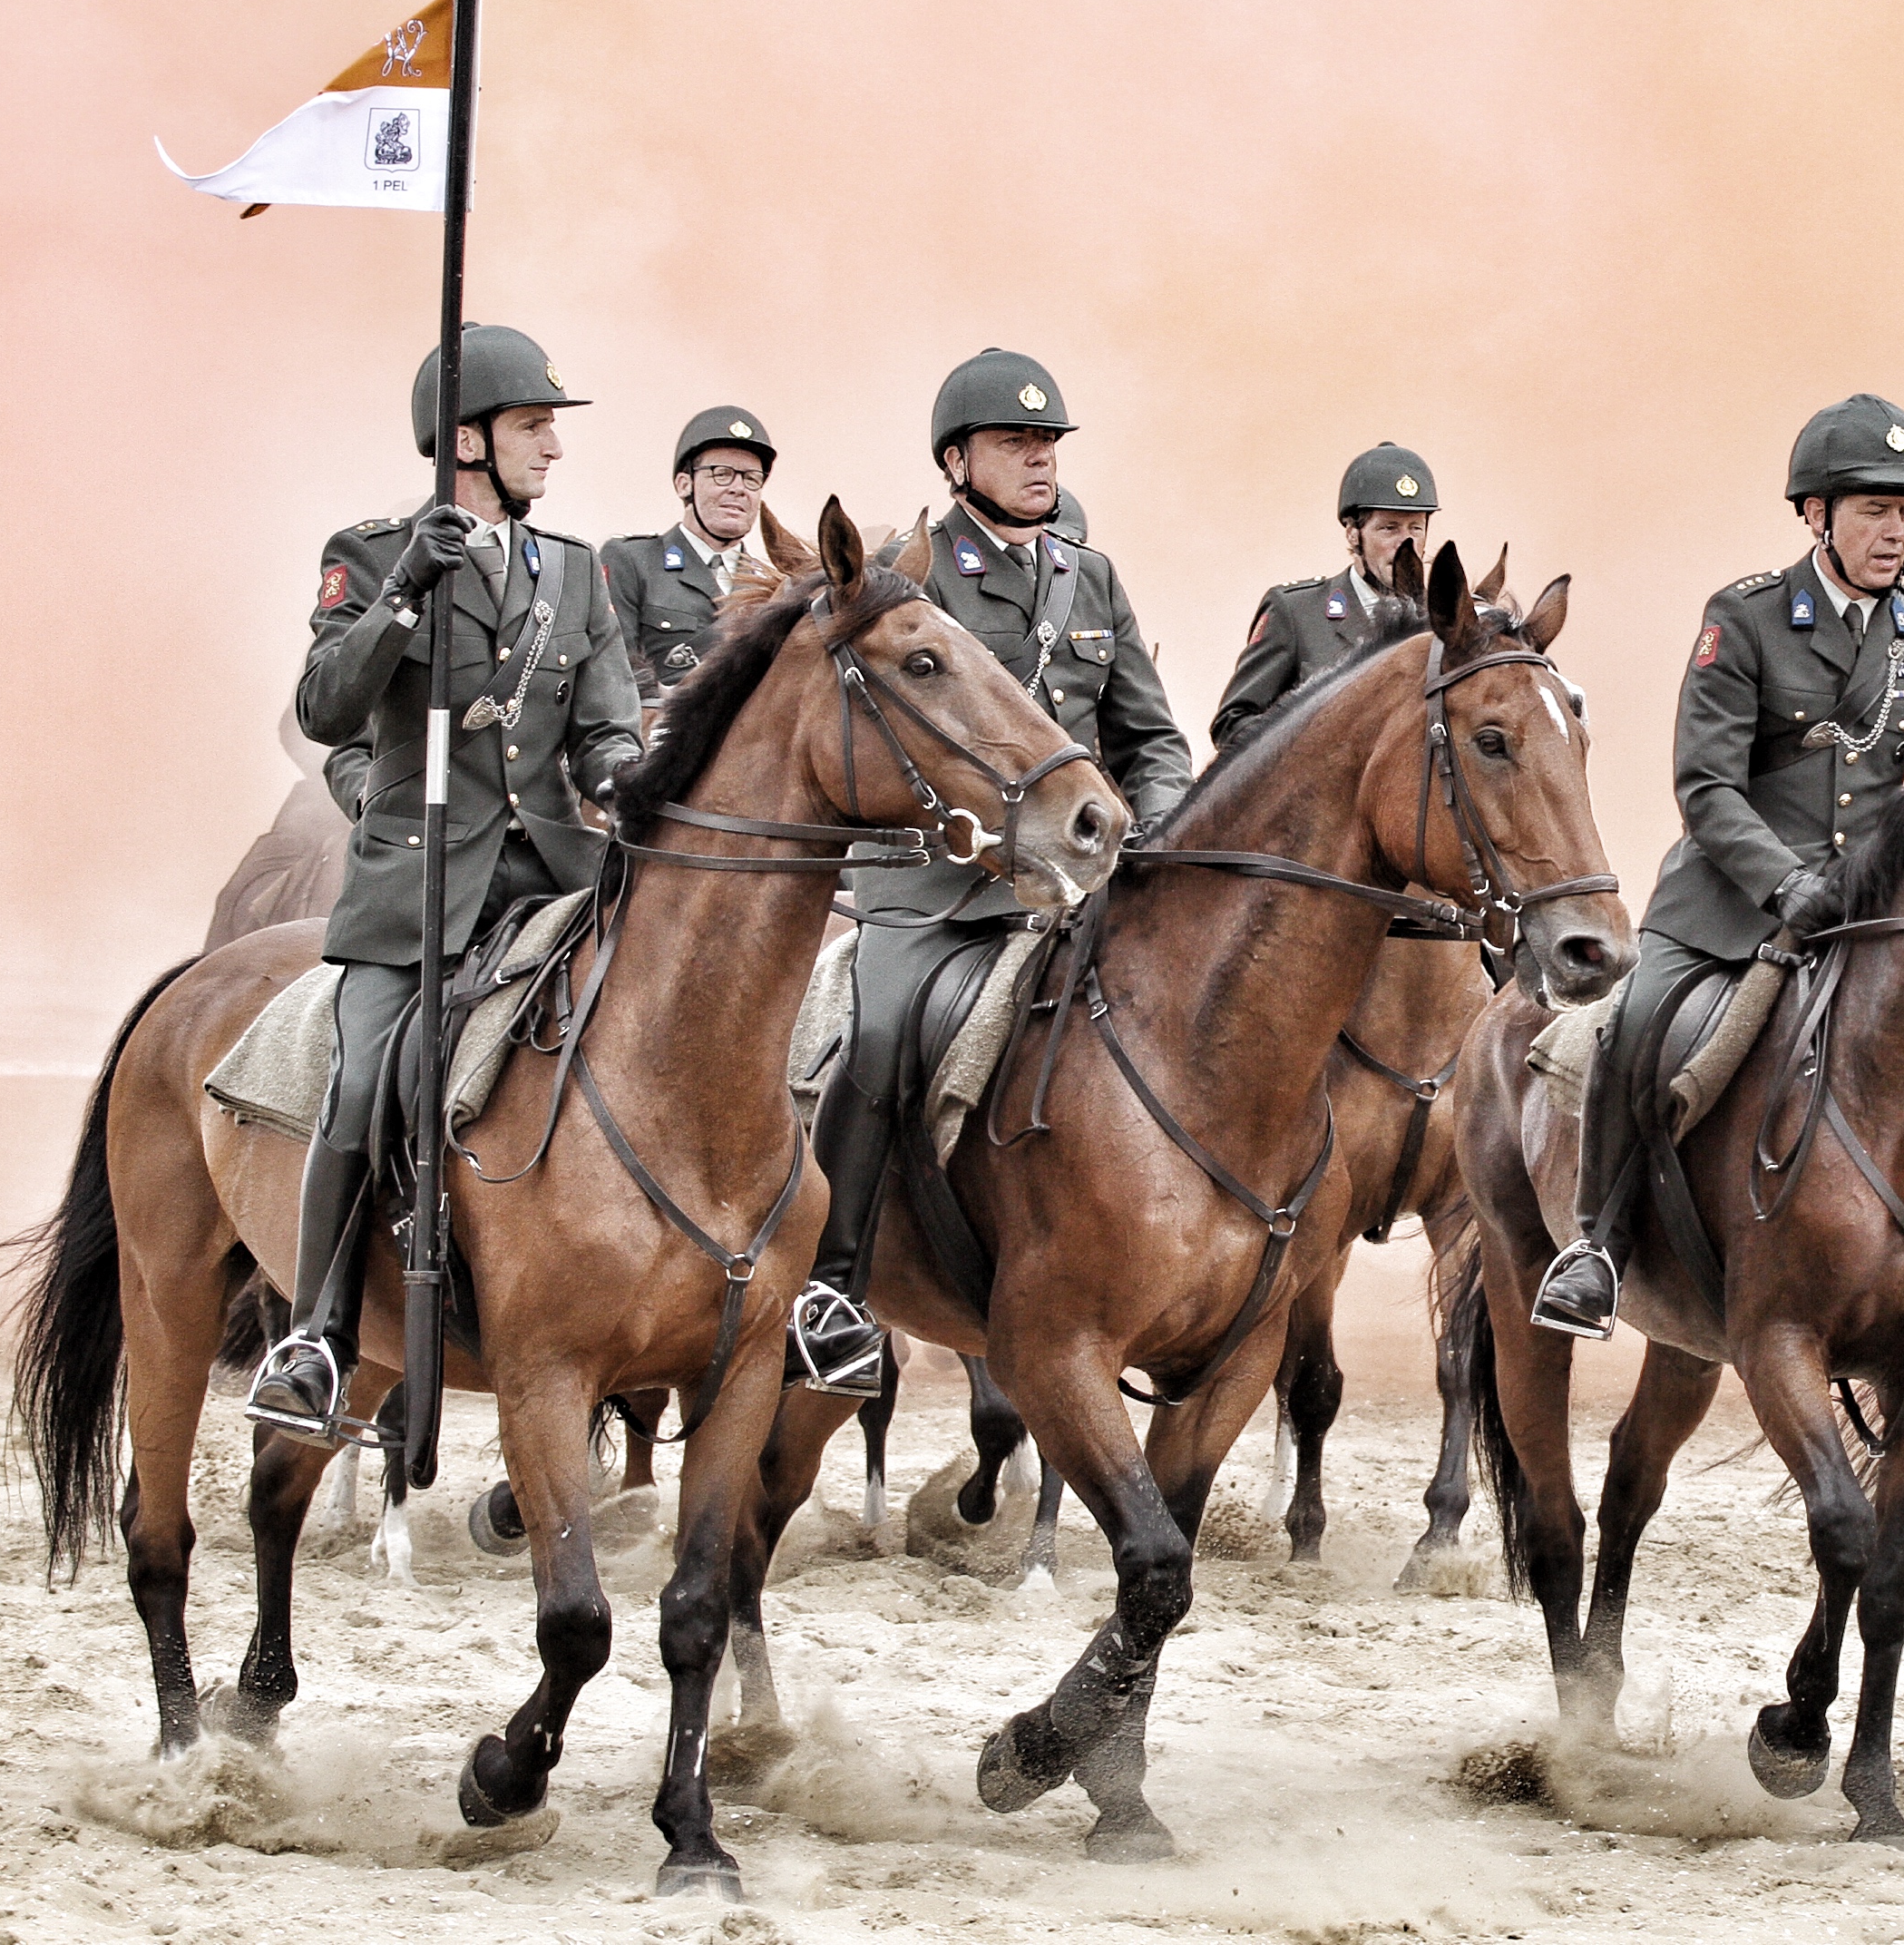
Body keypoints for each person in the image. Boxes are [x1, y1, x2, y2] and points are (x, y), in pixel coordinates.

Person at [1529, 394, 1904, 1350]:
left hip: (1867, 911)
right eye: (1872, 510)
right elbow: (1707, 783)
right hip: (1734, 898)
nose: (1893, 531)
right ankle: (1594, 1246)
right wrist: (1783, 882)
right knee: (1638, 1026)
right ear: (1816, 514)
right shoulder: (1749, 618)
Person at [244, 327, 645, 1440]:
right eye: (533, 425)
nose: (554, 447)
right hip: (420, 885)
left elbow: (604, 729)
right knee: (368, 1076)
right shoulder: (372, 553)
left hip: (558, 879)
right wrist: (405, 594)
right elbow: (325, 705)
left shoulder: (575, 570)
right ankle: (318, 1333)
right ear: (465, 439)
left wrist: (628, 772)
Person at [785, 347, 1194, 1394]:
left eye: (1048, 443)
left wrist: (1149, 818)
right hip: (935, 888)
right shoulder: (909, 574)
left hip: (1077, 877)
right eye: (1017, 443)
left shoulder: (1089, 575)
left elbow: (1147, 734)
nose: (1039, 460)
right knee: (878, 1034)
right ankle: (833, 1288)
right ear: (958, 458)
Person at [1207, 443, 1440, 750]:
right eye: (1389, 528)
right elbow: (1233, 722)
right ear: (1353, 534)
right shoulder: (1296, 612)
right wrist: (1316, 751)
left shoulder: (1441, 624)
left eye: (1416, 528)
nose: (1406, 542)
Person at [600, 406, 781, 701]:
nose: (739, 489)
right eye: (722, 474)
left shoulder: (773, 587)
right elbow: (613, 668)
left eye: (751, 478)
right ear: (685, 484)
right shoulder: (632, 561)